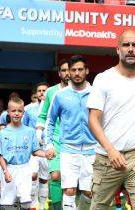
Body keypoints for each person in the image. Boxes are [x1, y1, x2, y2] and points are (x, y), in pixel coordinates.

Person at [88, 29, 135, 210]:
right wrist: (110, 150)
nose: (131, 49)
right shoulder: (103, 79)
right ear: (118, 49)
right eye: (126, 45)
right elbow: (93, 120)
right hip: (106, 158)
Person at [45, 55, 97, 210]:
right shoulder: (60, 95)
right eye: (73, 70)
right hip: (68, 148)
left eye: (80, 69)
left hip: (92, 149)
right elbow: (50, 121)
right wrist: (49, 144)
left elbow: (104, 122)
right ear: (69, 73)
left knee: (89, 192)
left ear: (86, 71)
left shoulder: (96, 93)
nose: (76, 73)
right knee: (69, 190)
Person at [0, 97, 47, 210]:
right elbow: (0, 155)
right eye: (13, 111)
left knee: (25, 200)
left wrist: (45, 154)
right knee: (7, 203)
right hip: (9, 168)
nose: (16, 113)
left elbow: (35, 151)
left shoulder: (30, 131)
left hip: (25, 168)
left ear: (23, 112)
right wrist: (5, 171)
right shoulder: (2, 133)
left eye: (19, 111)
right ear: (8, 112)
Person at [36, 59, 69, 210]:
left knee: (75, 183)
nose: (67, 73)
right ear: (59, 73)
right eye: (63, 70)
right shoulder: (50, 92)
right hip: (55, 140)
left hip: (75, 142)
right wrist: (38, 133)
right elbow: (42, 115)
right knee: (55, 175)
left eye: (70, 69)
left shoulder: (83, 90)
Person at [22, 82, 49, 210]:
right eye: (39, 90)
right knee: (33, 175)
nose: (42, 92)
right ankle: (33, 204)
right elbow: (24, 127)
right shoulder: (28, 109)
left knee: (44, 179)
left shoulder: (53, 107)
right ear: (36, 93)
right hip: (33, 148)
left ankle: (43, 205)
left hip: (48, 147)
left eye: (44, 90)